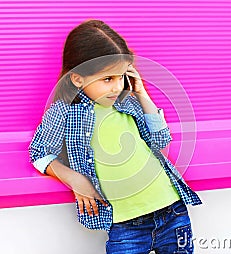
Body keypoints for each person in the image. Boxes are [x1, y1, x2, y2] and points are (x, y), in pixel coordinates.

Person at [28, 19, 202, 254]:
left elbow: (160, 140)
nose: (117, 87)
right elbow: (38, 152)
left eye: (121, 76)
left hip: (172, 211)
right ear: (78, 78)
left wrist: (141, 93)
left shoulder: (127, 102)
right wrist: (74, 179)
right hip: (126, 226)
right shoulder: (64, 112)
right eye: (107, 79)